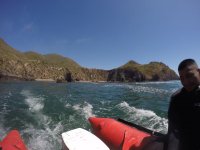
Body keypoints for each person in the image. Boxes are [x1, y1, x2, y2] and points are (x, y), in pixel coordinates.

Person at [165, 59, 200, 150]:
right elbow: (173, 131)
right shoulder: (176, 99)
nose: (186, 82)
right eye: (182, 78)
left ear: (199, 72)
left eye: (189, 75)